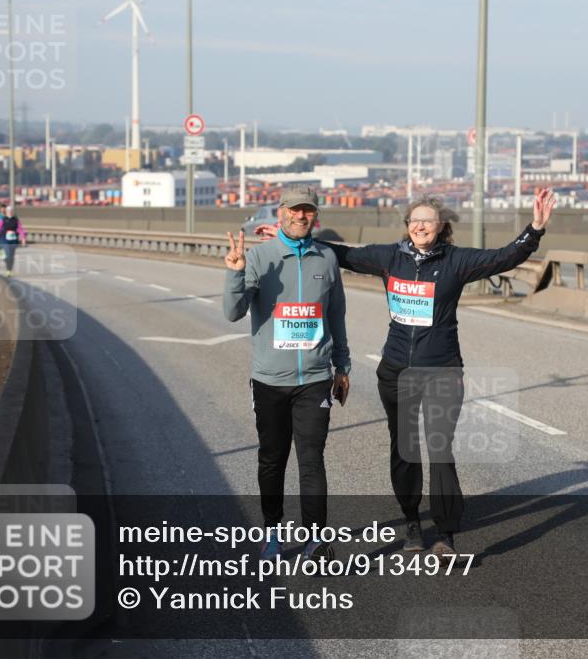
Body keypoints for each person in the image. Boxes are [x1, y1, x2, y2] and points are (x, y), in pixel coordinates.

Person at [255, 188, 556, 560]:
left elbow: (504, 257)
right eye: (415, 221)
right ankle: (412, 520)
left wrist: (535, 229)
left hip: (442, 370)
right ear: (407, 225)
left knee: (440, 448)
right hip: (396, 371)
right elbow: (341, 254)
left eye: (428, 221)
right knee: (404, 448)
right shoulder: (390, 257)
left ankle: (445, 534)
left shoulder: (457, 261)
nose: (420, 226)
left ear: (441, 226)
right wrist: (288, 239)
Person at [223, 184, 351, 563]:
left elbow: (336, 316)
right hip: (270, 380)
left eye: (307, 210)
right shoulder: (260, 257)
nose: (300, 215)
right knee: (272, 459)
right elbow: (233, 312)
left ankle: (315, 541)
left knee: (312, 460)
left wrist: (342, 366)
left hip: (315, 379)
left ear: (316, 216)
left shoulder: (326, 258)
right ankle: (272, 533)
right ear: (281, 213)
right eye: (294, 209)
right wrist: (235, 274)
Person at [0, 205, 26, 276]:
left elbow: (20, 229)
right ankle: (7, 267)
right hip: (4, 239)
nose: (10, 212)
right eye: (8, 211)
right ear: (6, 212)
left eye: (11, 211)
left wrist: (23, 238)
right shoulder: (3, 220)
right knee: (7, 254)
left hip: (13, 239)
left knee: (11, 256)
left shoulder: (16, 220)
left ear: (13, 212)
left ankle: (9, 270)